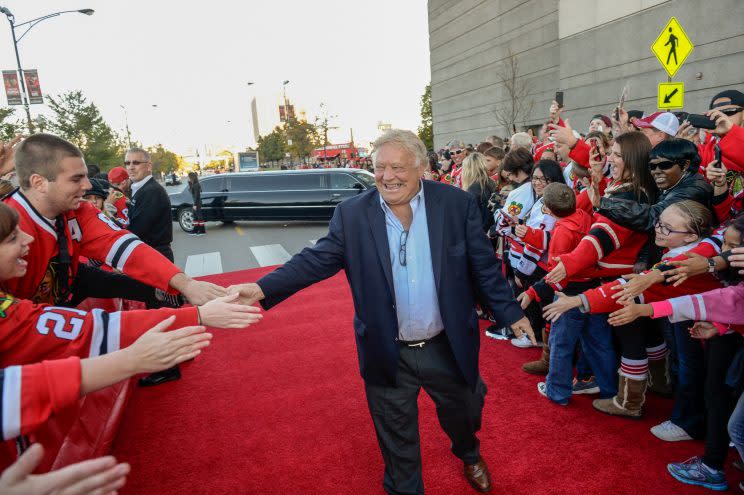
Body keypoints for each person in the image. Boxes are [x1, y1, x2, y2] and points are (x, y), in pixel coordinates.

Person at [227, 129, 533, 495]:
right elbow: (315, 260)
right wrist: (262, 288)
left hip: (446, 344)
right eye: (379, 168)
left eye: (397, 167)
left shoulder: (455, 205)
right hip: (387, 349)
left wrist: (511, 313)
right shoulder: (352, 214)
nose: (387, 176)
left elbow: (483, 267)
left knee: (465, 411)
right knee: (396, 437)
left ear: (421, 167)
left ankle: (468, 452)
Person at [460, 152, 497, 233]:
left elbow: (473, 220)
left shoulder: (473, 190)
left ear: (468, 170)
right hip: (490, 233)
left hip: (481, 236)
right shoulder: (491, 183)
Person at [188, 171, 205, 236]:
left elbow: (197, 195)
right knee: (195, 216)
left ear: (192, 177)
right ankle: (195, 230)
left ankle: (202, 231)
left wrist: (195, 204)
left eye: (189, 177)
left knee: (199, 216)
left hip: (197, 203)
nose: (188, 178)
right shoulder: (193, 184)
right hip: (195, 202)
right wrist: (190, 185)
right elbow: (191, 192)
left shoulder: (196, 185)